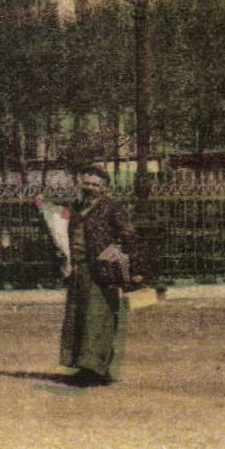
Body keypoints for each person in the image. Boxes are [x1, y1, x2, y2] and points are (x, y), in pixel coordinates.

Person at [48, 165, 146, 386]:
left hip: (103, 271)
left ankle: (95, 369)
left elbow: (130, 237)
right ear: (81, 184)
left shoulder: (112, 209)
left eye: (96, 184)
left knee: (99, 319)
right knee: (79, 316)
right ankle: (82, 366)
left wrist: (137, 270)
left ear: (104, 188)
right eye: (87, 183)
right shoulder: (75, 208)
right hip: (79, 270)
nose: (91, 188)